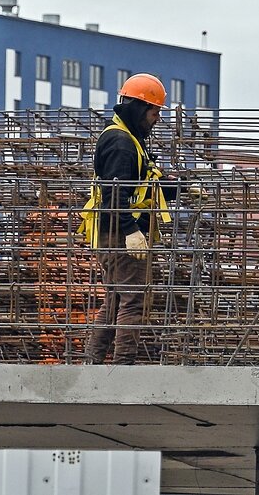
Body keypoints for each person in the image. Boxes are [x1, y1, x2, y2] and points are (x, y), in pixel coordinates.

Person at [80, 73, 171, 365]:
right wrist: (132, 231)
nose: (157, 118)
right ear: (138, 107)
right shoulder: (120, 143)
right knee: (134, 299)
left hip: (115, 232)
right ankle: (121, 369)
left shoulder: (129, 138)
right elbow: (114, 195)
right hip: (120, 233)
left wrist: (182, 188)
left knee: (116, 299)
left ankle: (93, 363)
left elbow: (144, 183)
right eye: (154, 111)